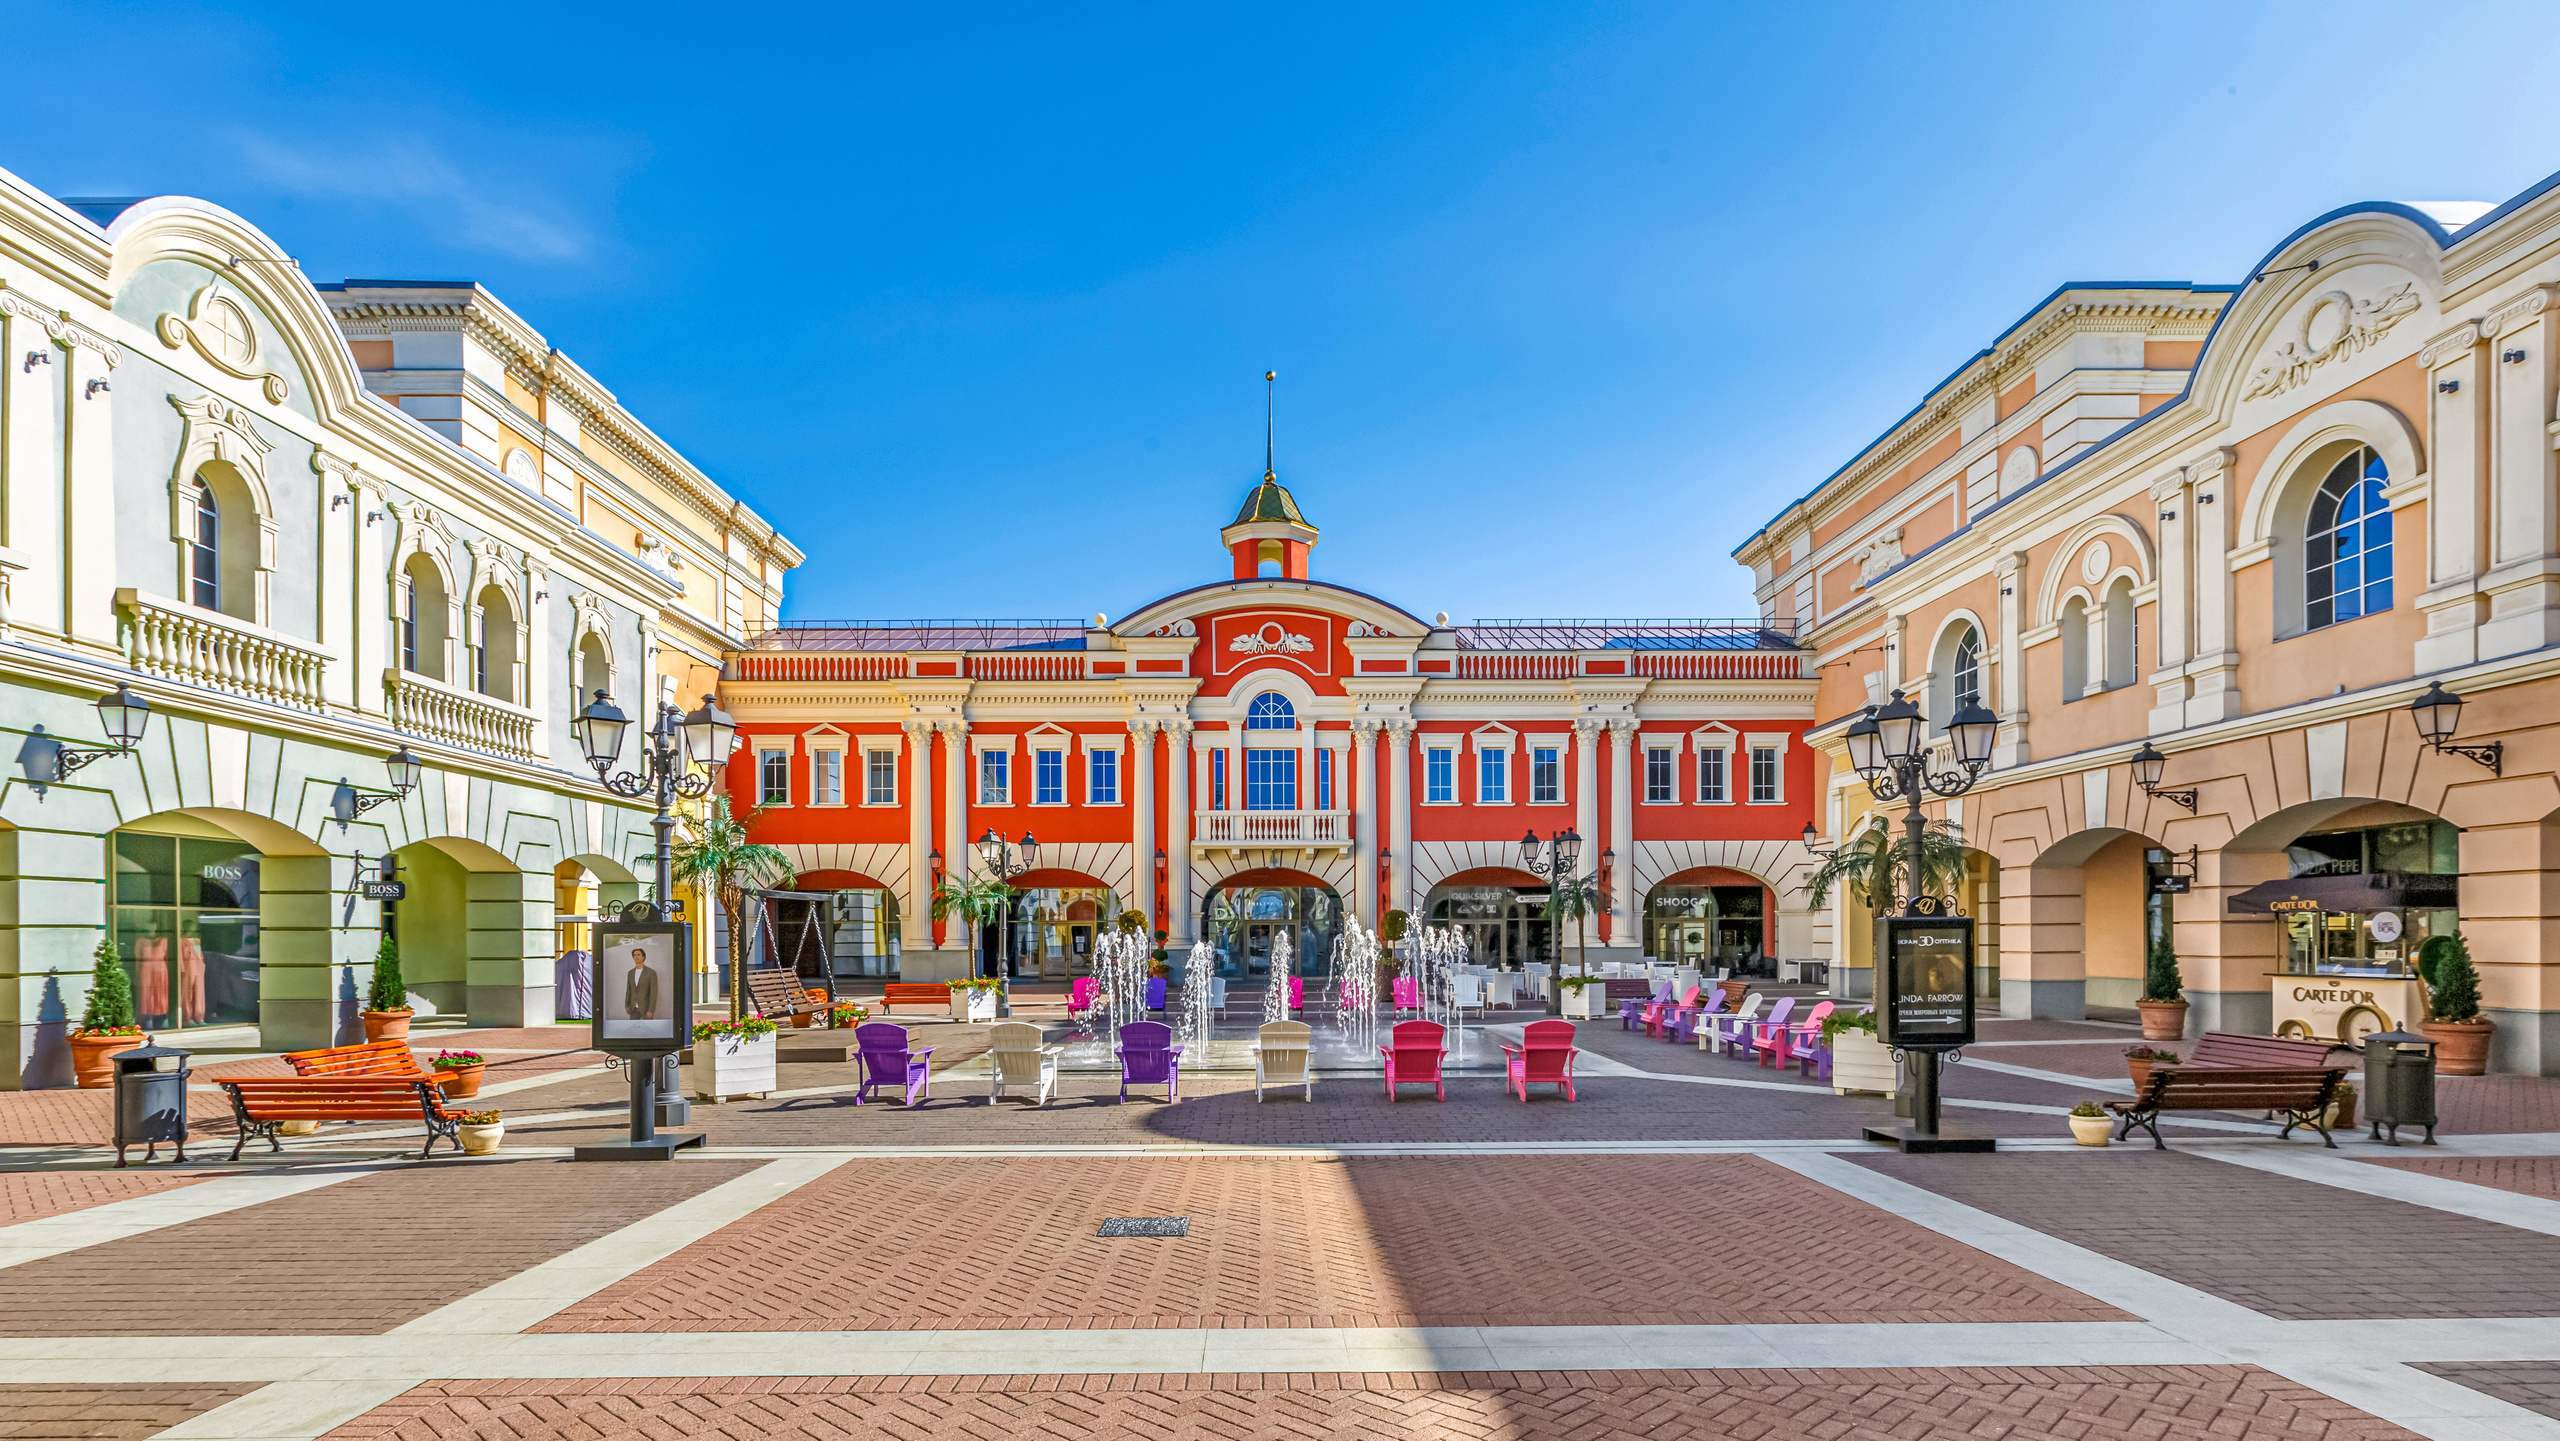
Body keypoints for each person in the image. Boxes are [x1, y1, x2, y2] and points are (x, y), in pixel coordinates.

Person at [622, 944, 661, 1023]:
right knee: (633, 1029)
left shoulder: (651, 973)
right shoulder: (630, 973)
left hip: (645, 1008)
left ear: (643, 957)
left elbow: (654, 993)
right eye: (634, 955)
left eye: (639, 954)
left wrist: (651, 1010)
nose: (636, 957)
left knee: (647, 1031)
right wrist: (627, 1005)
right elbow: (629, 990)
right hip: (633, 1008)